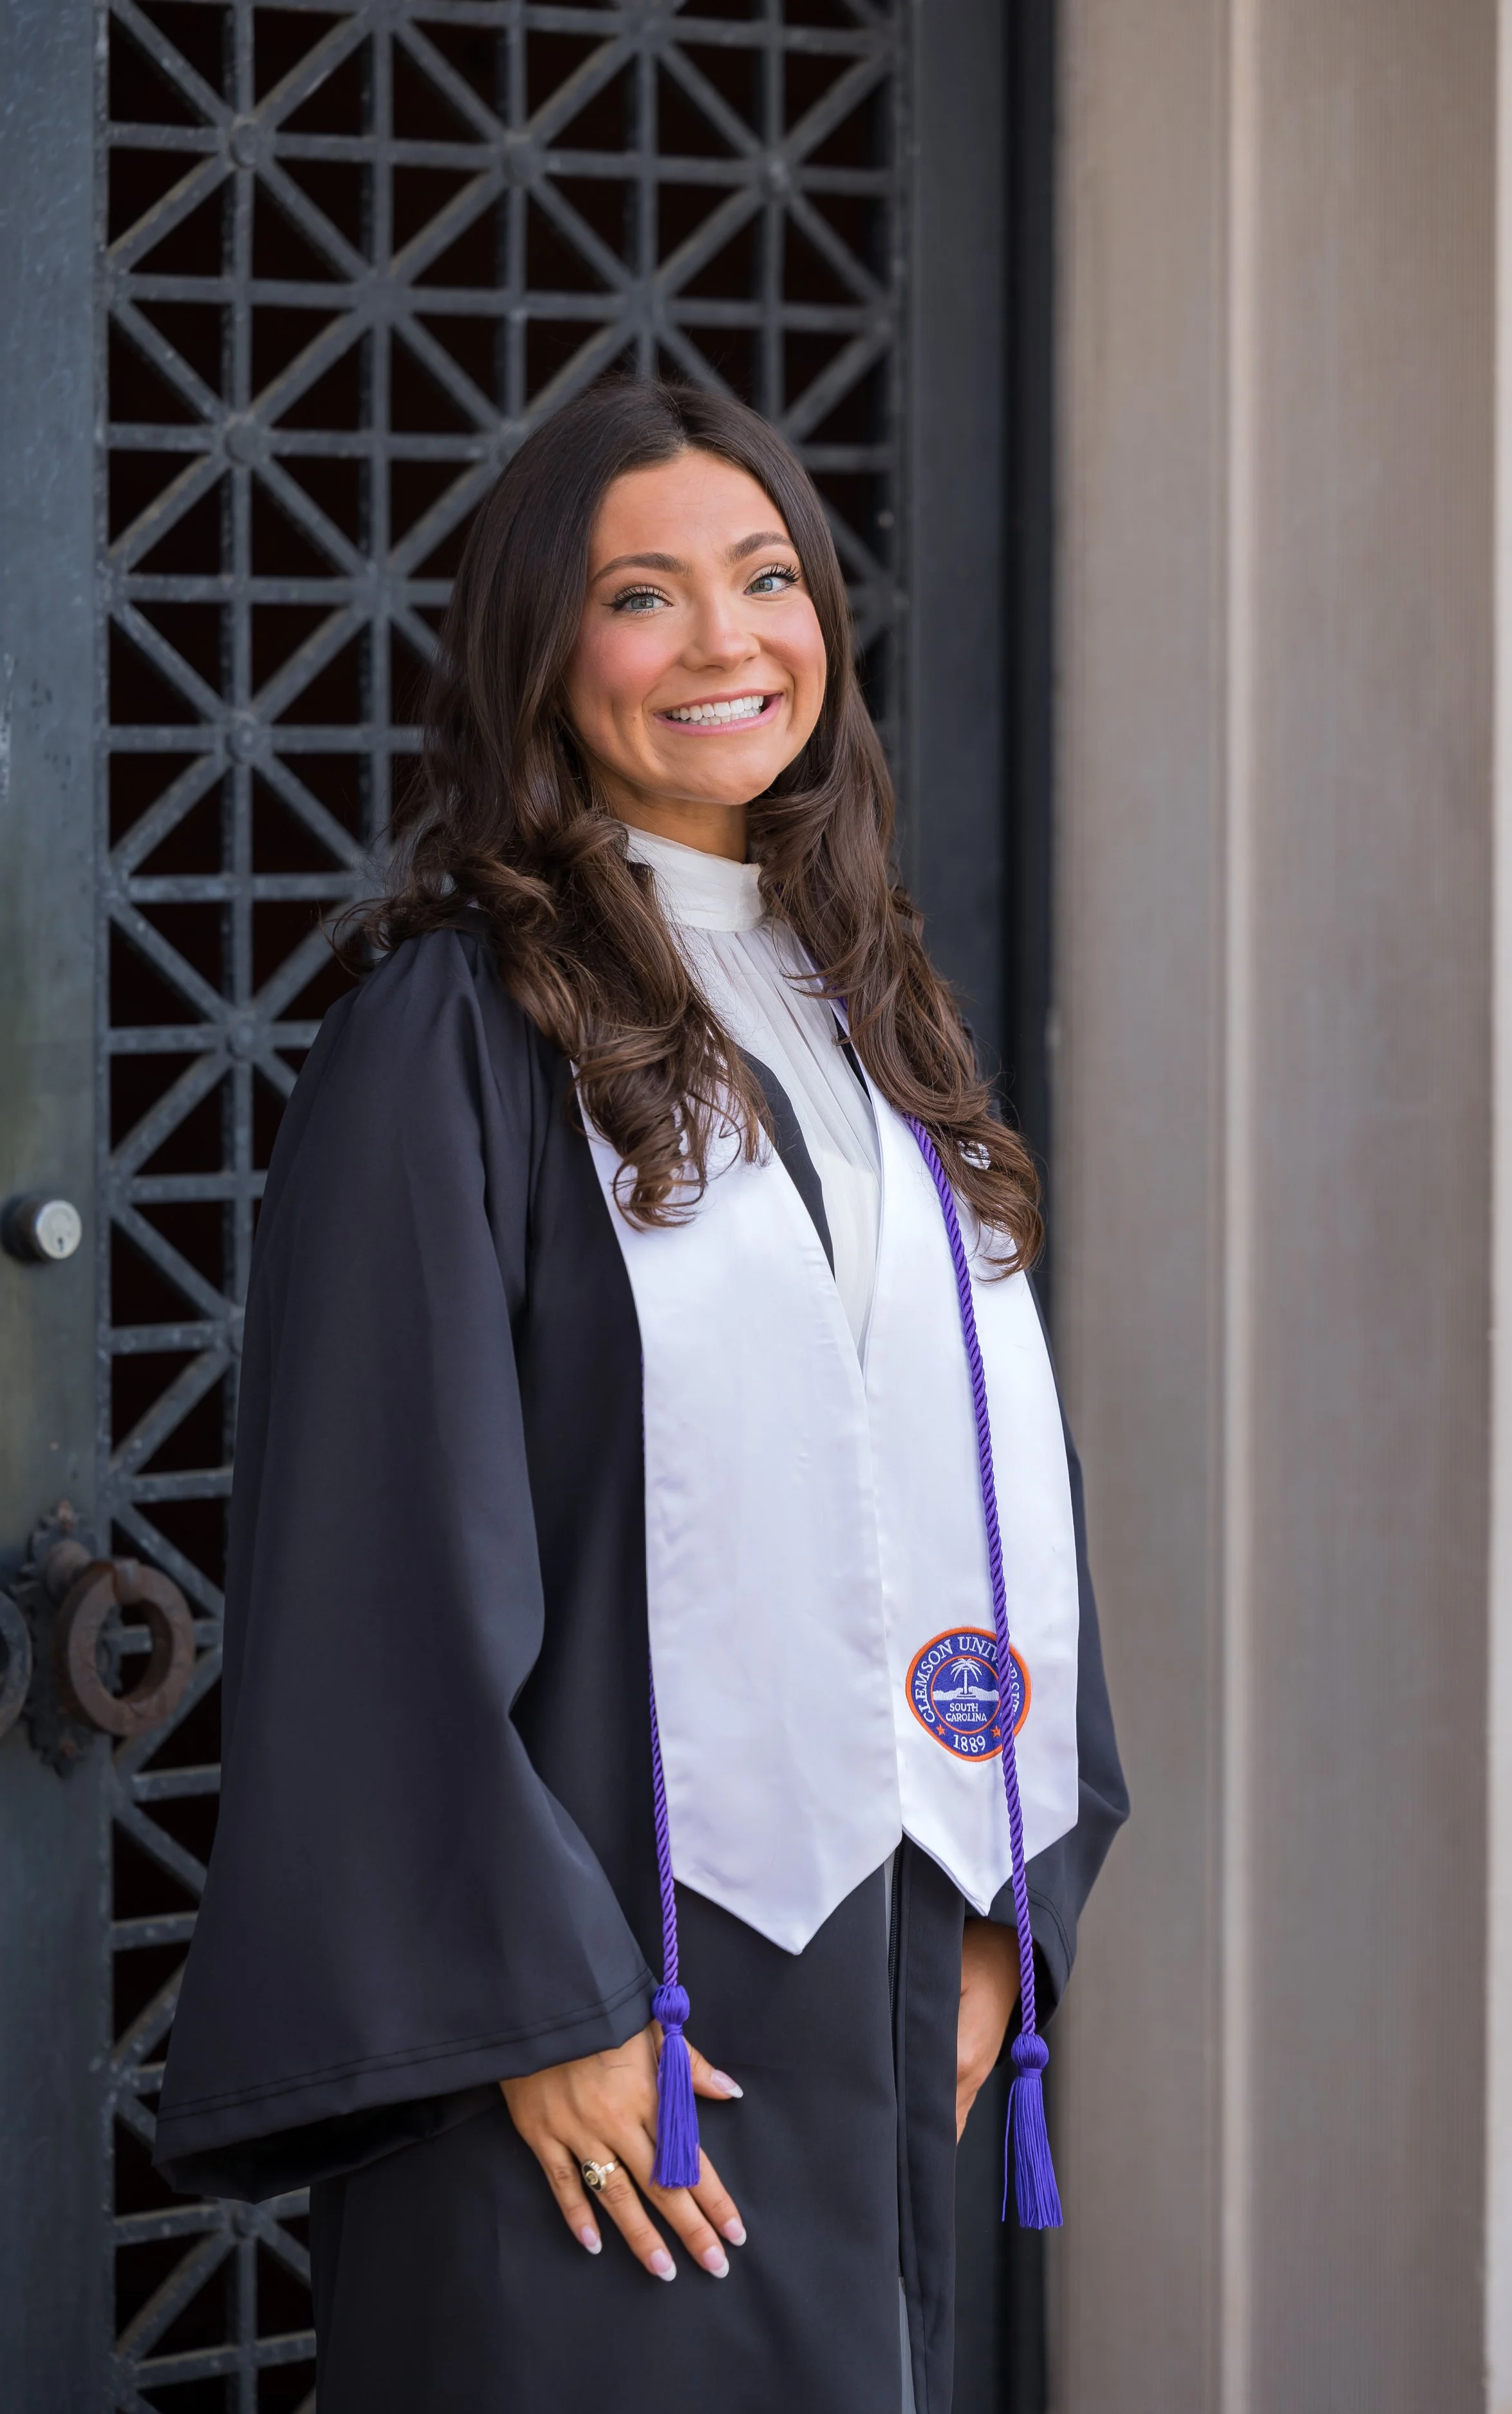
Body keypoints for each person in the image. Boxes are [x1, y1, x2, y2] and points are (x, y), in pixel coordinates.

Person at [154, 379, 1127, 2414]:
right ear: (541, 646)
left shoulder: (875, 1023)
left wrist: (1000, 1892)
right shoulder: (452, 1034)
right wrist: (535, 1999)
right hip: (607, 1994)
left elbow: (961, 1484)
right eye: (640, 594)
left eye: (765, 579)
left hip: (873, 1951)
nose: (722, 641)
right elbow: (371, 1560)